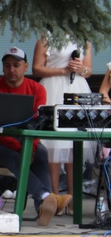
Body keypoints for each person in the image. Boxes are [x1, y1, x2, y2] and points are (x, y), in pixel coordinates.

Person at [0, 46, 71, 226]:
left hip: (26, 141)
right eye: (7, 65)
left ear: (25, 67)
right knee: (16, 157)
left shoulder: (37, 89)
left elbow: (37, 122)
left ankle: (43, 206)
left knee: (42, 154)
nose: (11, 70)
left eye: (16, 65)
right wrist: (22, 148)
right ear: (2, 68)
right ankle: (46, 197)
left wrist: (30, 147)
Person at [32, 35, 92, 211]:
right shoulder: (46, 36)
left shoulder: (85, 38)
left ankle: (73, 199)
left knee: (74, 146)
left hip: (77, 88)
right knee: (54, 146)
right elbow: (37, 68)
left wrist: (81, 68)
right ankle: (55, 197)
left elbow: (89, 71)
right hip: (54, 87)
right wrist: (63, 70)